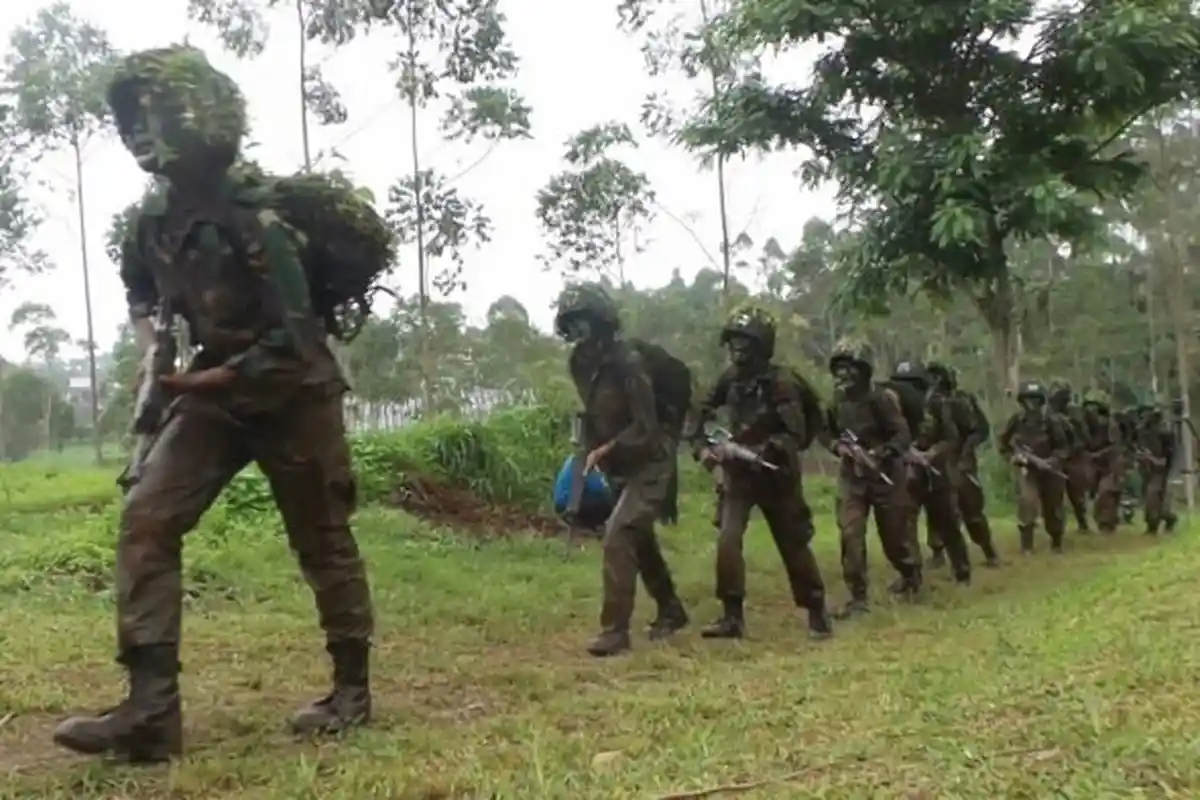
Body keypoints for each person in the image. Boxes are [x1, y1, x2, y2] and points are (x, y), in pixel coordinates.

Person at [53, 46, 381, 763]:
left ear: (200, 115)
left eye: (155, 113)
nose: (139, 131)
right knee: (147, 518)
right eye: (129, 118)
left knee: (322, 539)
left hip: (293, 391)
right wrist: (156, 353)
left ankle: (351, 691)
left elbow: (295, 337)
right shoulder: (150, 223)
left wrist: (201, 381)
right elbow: (142, 293)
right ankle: (150, 714)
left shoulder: (257, 220)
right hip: (210, 391)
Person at [554, 282, 688, 657]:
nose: (578, 329)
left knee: (618, 533)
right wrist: (589, 448)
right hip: (617, 463)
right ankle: (671, 609)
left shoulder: (628, 361)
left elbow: (646, 427)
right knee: (639, 540)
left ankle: (614, 631)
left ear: (600, 320)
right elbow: (597, 413)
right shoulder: (579, 363)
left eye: (584, 320)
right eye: (572, 322)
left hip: (650, 459)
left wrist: (608, 448)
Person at [686, 306, 832, 640]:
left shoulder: (782, 383)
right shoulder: (730, 379)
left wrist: (765, 450)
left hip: (776, 475)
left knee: (793, 542)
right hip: (739, 474)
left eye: (744, 341)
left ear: (762, 345)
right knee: (728, 539)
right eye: (733, 341)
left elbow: (794, 433)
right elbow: (699, 411)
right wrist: (703, 447)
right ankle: (731, 615)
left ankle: (816, 610)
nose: (737, 348)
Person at [823, 338, 920, 618]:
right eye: (839, 368)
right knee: (850, 533)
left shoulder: (881, 399)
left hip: (886, 476)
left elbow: (902, 434)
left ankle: (910, 573)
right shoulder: (837, 401)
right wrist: (838, 447)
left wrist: (881, 453)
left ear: (863, 369)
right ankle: (858, 597)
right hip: (852, 478)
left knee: (894, 538)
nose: (843, 374)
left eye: (849, 367)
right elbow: (825, 432)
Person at [997, 382, 1071, 554]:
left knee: (1053, 505)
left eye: (1035, 400)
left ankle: (1056, 541)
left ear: (1041, 402)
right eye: (1027, 400)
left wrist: (1051, 461)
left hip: (1050, 469)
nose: (1031, 404)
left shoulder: (1051, 420)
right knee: (1027, 501)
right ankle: (1027, 544)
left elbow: (1063, 446)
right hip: (1027, 469)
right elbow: (1003, 443)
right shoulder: (1016, 420)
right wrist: (1012, 457)